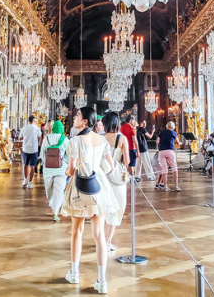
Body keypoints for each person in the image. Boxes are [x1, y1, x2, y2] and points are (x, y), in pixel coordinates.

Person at [61, 107, 118, 294]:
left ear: (84, 121)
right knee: (99, 235)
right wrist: (98, 172)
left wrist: (67, 172)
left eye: (77, 115)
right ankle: (102, 282)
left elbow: (71, 169)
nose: (74, 117)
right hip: (97, 187)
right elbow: (110, 166)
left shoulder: (75, 140)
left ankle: (75, 273)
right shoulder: (101, 140)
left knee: (77, 231)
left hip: (79, 187)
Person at [102, 112, 130, 253]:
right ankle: (107, 242)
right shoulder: (122, 138)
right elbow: (127, 161)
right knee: (116, 209)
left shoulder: (100, 138)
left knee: (103, 208)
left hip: (102, 177)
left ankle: (101, 240)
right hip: (117, 179)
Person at [40, 120, 70, 221]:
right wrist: (65, 162)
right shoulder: (65, 139)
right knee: (59, 190)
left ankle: (53, 205)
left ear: (53, 128)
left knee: (49, 189)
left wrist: (46, 162)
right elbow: (68, 154)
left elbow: (42, 153)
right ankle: (55, 210)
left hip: (48, 169)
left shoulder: (46, 138)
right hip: (61, 168)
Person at [156, 121, 181, 191]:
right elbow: (178, 143)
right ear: (173, 127)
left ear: (167, 127)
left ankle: (165, 186)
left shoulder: (161, 133)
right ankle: (176, 186)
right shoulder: (174, 133)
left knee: (164, 169)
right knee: (174, 168)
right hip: (170, 151)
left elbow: (157, 142)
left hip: (162, 151)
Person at [20, 115, 41, 189]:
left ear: (28, 120)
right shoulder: (37, 129)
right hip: (34, 149)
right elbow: (40, 137)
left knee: (26, 165)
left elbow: (20, 137)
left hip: (25, 149)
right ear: (34, 121)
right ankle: (29, 182)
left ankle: (25, 180)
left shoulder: (24, 128)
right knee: (32, 166)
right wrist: (39, 145)